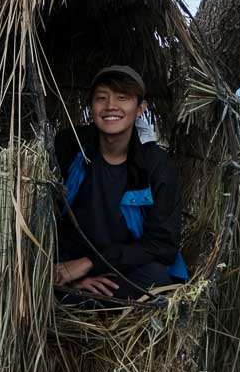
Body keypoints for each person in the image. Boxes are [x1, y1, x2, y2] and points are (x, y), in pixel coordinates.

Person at [52, 65, 187, 300]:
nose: (110, 106)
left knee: (156, 279)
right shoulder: (70, 147)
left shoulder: (155, 164)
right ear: (91, 108)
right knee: (40, 278)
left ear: (140, 109)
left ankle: (75, 298)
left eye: (122, 98)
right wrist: (72, 272)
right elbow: (44, 215)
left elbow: (162, 244)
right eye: (101, 98)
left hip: (124, 266)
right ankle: (73, 293)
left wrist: (90, 264)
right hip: (68, 262)